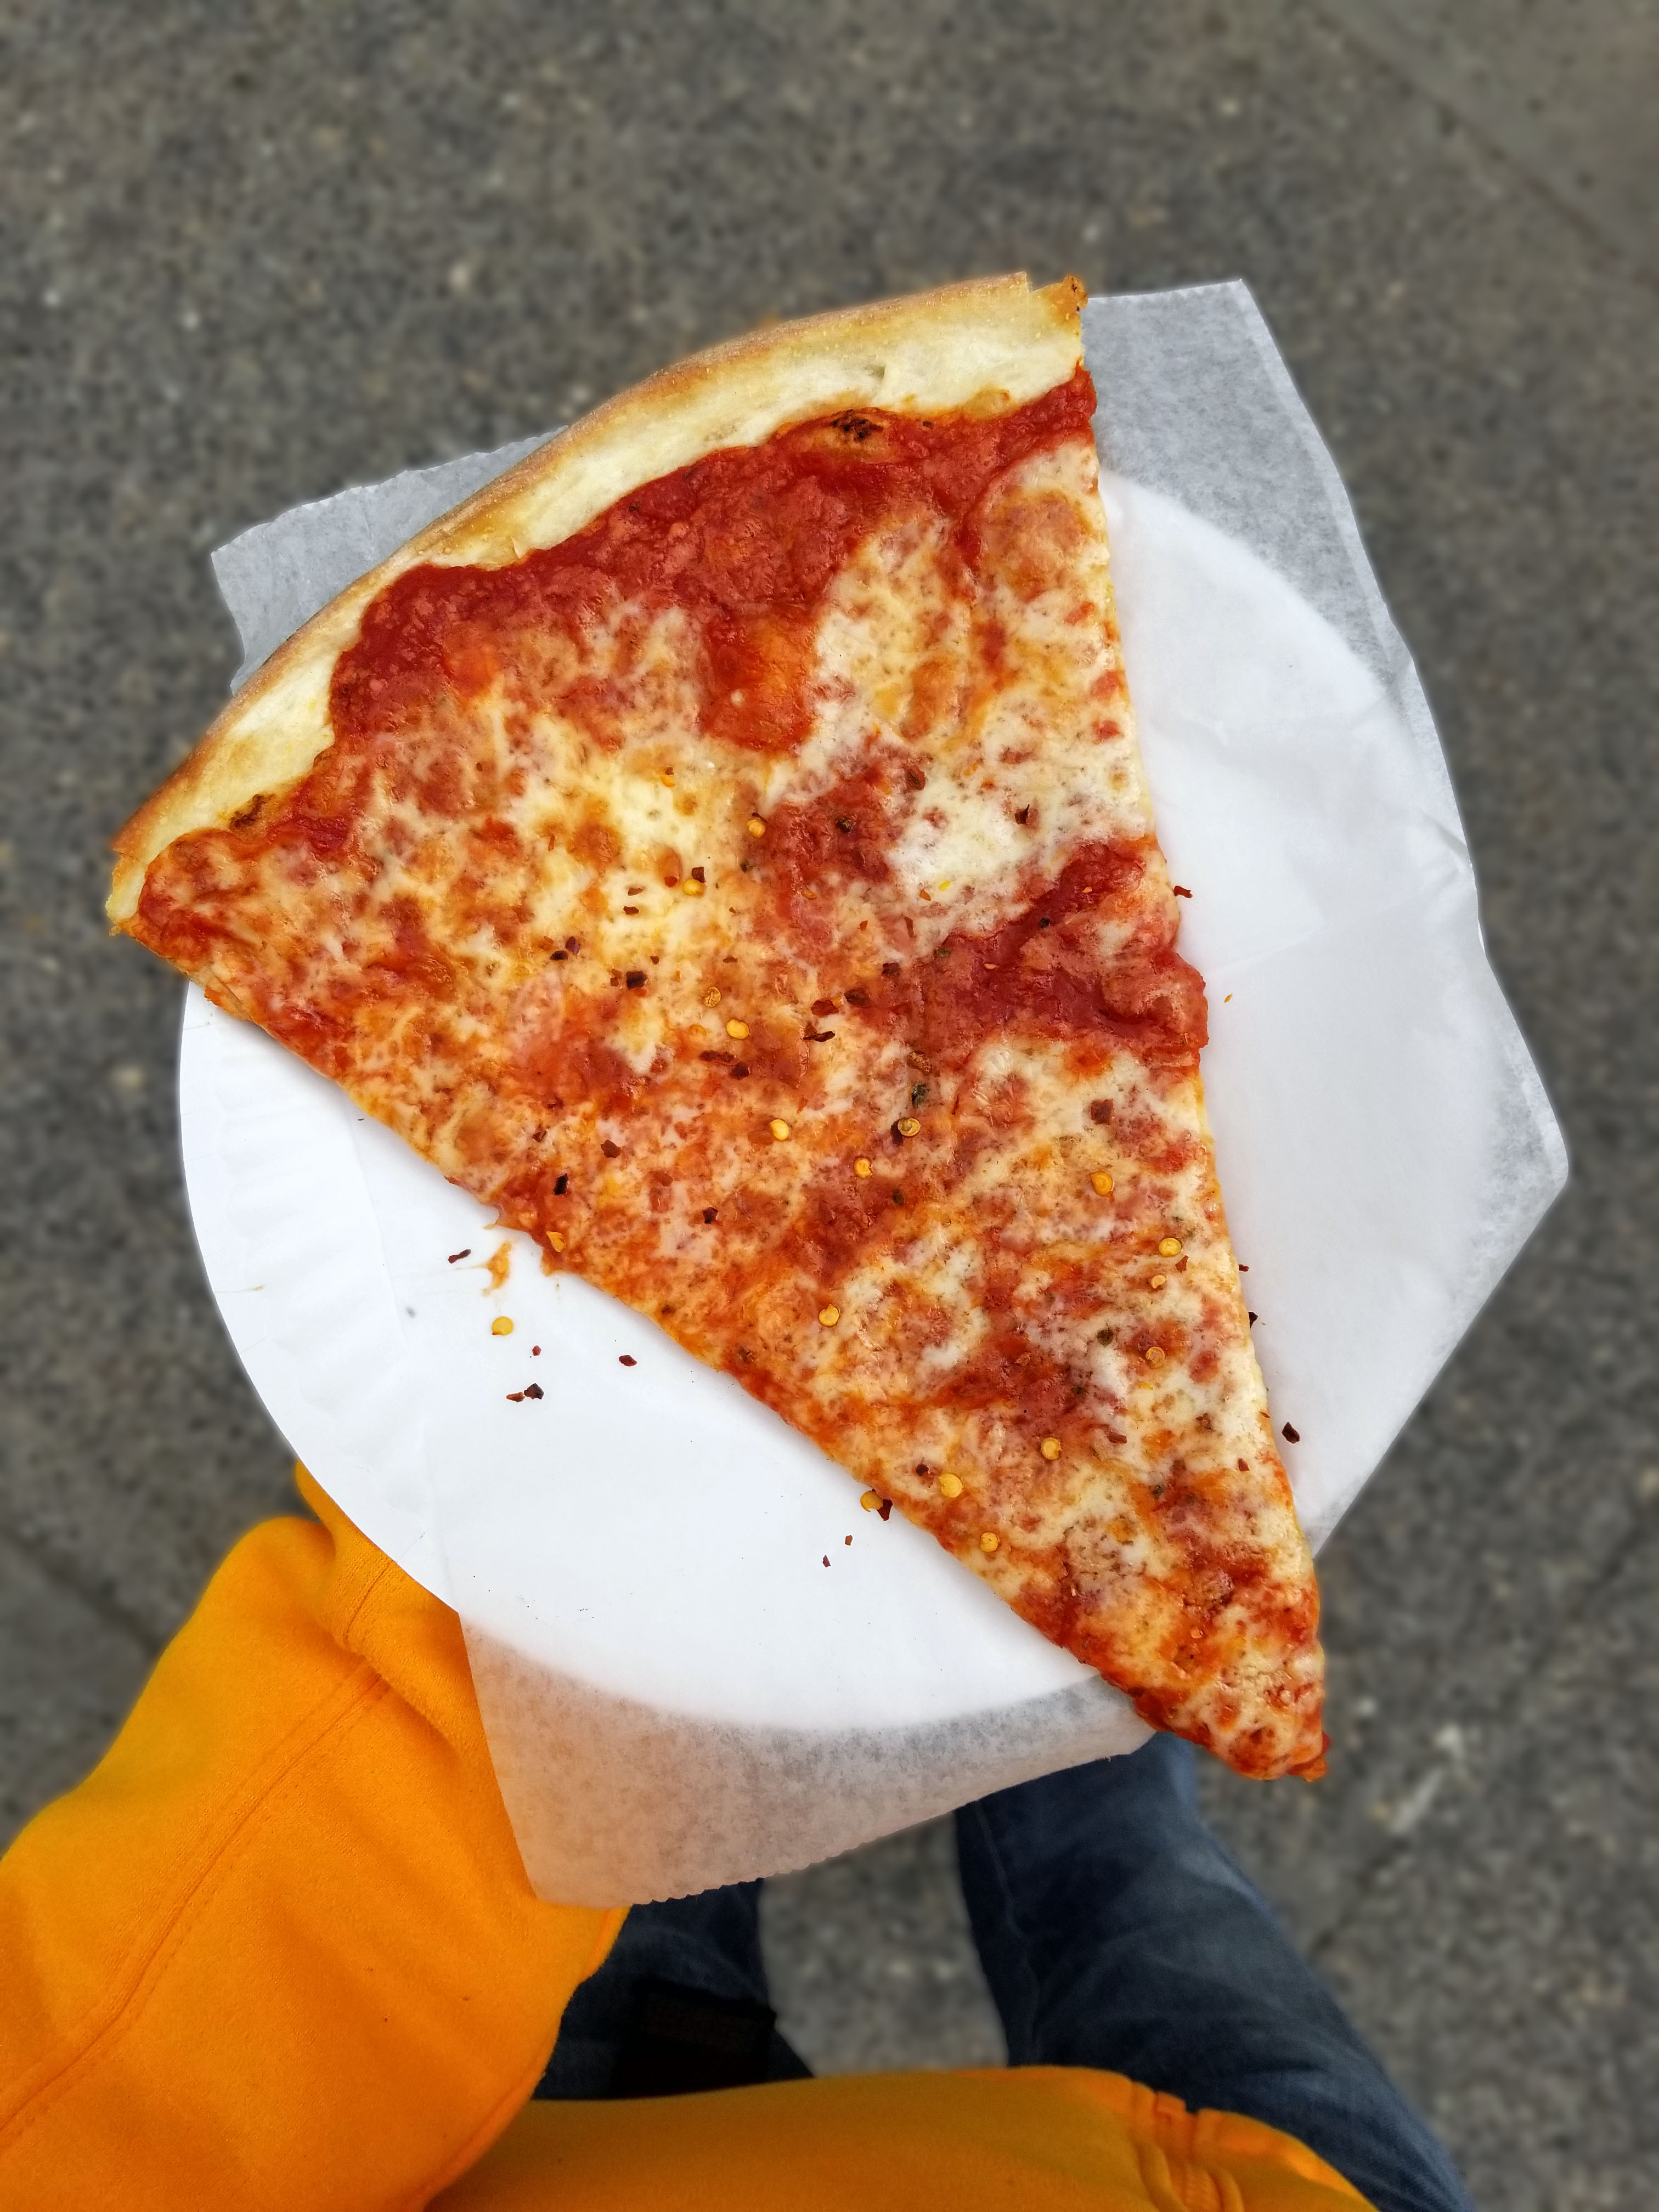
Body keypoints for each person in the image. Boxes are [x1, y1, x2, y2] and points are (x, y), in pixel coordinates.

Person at [0, 1470, 1474, 2210]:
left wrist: (573, 1519)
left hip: (553, 2112)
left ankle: (1060, 1651)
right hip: (1306, 2196)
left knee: (663, 1765)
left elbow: (135, 2087)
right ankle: (1085, 1667)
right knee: (1137, 1883)